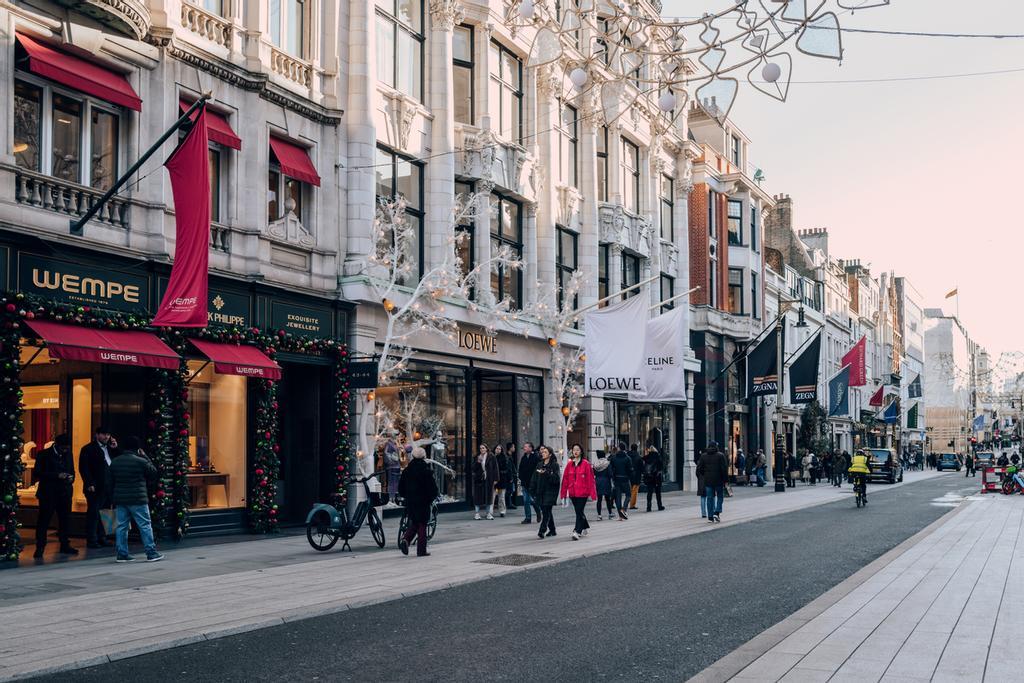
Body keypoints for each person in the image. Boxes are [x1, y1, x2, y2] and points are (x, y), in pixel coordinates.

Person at [105, 436, 163, 563]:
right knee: (145, 525)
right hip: (138, 499)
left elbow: (109, 482)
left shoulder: (115, 462)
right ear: (137, 448)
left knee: (121, 526)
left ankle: (122, 554)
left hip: (121, 499)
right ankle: (151, 553)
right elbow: (153, 472)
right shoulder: (140, 461)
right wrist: (145, 456)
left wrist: (112, 497)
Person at [33, 434, 77, 558]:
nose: (66, 450)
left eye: (67, 448)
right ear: (56, 445)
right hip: (48, 493)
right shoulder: (43, 454)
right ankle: (40, 546)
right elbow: (37, 473)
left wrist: (71, 478)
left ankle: (65, 544)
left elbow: (72, 470)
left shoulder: (69, 454)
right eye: (63, 448)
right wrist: (57, 475)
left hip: (65, 492)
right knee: (44, 520)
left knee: (65, 520)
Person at [79, 426, 117, 549]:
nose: (106, 437)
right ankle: (92, 539)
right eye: (104, 434)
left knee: (107, 512)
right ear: (97, 435)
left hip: (109, 486)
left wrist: (115, 448)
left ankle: (103, 537)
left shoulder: (110, 448)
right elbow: (84, 468)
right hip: (95, 487)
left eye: (108, 434)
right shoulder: (88, 449)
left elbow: (117, 460)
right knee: (94, 513)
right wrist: (89, 483)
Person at [398, 447, 438, 557]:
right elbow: (432, 488)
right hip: (423, 501)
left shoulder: (407, 470)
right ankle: (421, 550)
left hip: (410, 501)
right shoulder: (426, 470)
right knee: (422, 524)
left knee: (415, 522)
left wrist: (406, 496)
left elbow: (401, 488)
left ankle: (406, 539)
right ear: (424, 457)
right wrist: (432, 497)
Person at [560, 444, 596, 540]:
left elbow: (590, 479)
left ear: (581, 451)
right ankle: (584, 526)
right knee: (578, 511)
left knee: (579, 511)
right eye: (574, 450)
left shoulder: (586, 464)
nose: (575, 452)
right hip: (573, 493)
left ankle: (577, 531)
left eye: (577, 450)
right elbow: (565, 479)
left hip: (583, 493)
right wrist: (563, 493)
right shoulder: (569, 464)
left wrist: (593, 494)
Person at [530, 445, 561, 539]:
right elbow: (534, 477)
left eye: (545, 452)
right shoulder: (539, 464)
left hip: (550, 491)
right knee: (546, 510)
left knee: (546, 511)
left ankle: (542, 530)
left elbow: (556, 479)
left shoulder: (554, 465)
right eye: (542, 452)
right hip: (540, 491)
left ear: (550, 454)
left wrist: (546, 473)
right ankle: (552, 530)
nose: (543, 453)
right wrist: (532, 488)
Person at [698, 442, 729, 523]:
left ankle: (710, 517)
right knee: (720, 496)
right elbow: (724, 469)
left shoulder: (703, 456)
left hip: (708, 480)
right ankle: (717, 511)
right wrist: (726, 480)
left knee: (709, 498)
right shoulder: (720, 455)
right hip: (718, 480)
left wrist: (705, 475)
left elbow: (700, 469)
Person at [472, 443, 499, 520]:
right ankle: (477, 513)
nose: (482, 450)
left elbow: (495, 468)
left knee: (489, 496)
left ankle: (488, 514)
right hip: (479, 479)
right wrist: (478, 462)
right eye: (480, 448)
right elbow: (473, 468)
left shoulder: (491, 457)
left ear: (486, 448)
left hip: (489, 479)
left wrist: (496, 479)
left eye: (483, 448)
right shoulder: (477, 457)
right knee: (478, 496)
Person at [609, 442, 633, 520]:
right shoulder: (627, 458)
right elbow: (630, 470)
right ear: (625, 448)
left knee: (618, 497)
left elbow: (611, 469)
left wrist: (613, 477)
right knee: (628, 495)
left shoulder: (613, 458)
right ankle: (624, 509)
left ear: (619, 448)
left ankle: (620, 515)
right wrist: (629, 476)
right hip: (625, 479)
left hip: (617, 479)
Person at [517, 442, 540, 524]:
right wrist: (520, 477)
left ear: (531, 448)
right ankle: (528, 517)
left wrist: (535, 481)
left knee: (532, 500)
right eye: (524, 447)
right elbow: (520, 468)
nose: (524, 448)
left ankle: (538, 511)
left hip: (532, 483)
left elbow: (537, 470)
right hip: (524, 482)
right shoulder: (523, 457)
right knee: (525, 500)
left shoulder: (535, 457)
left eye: (526, 447)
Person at [643, 445, 665, 512]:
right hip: (657, 477)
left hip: (649, 477)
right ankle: (659, 506)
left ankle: (648, 507)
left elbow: (643, 464)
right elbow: (661, 467)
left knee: (649, 493)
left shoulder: (646, 457)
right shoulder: (658, 457)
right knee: (658, 493)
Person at [593, 451, 614, 519]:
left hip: (598, 481)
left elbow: (593, 473)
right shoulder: (607, 463)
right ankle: (610, 513)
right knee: (607, 499)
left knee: (599, 499)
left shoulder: (595, 464)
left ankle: (599, 515)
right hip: (606, 481)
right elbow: (610, 474)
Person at [492, 444, 510, 518]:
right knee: (492, 496)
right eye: (497, 448)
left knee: (501, 497)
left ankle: (502, 511)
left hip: (502, 480)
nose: (498, 450)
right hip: (493, 479)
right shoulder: (491, 457)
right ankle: (490, 511)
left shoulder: (504, 458)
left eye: (499, 449)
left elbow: (506, 470)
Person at [627, 444, 643, 509]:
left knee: (629, 490)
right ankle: (632, 504)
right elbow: (641, 467)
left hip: (628, 475)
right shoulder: (638, 457)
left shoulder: (627, 455)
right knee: (634, 490)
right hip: (636, 475)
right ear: (637, 448)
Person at [505, 442, 518, 510]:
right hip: (509, 477)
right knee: (509, 490)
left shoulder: (509, 456)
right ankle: (508, 504)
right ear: (510, 448)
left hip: (511, 476)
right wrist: (510, 477)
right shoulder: (508, 457)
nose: (514, 448)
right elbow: (509, 468)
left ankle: (509, 503)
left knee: (510, 490)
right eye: (513, 447)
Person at [696, 449, 708, 519]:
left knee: (703, 497)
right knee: (710, 496)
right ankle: (711, 511)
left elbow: (697, 473)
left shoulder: (699, 462)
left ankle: (703, 513)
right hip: (708, 480)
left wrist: (700, 478)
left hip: (701, 481)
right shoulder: (708, 461)